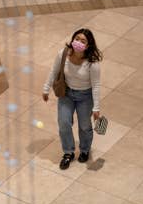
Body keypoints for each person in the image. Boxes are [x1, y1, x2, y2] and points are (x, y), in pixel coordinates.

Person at [43, 29, 102, 170]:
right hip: (67, 94)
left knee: (84, 125)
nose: (78, 43)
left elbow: (96, 86)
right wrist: (46, 88)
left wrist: (96, 108)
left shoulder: (92, 63)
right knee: (63, 123)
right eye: (77, 39)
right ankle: (68, 153)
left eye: (83, 41)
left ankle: (84, 149)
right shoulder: (63, 54)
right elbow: (54, 71)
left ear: (88, 45)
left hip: (85, 96)